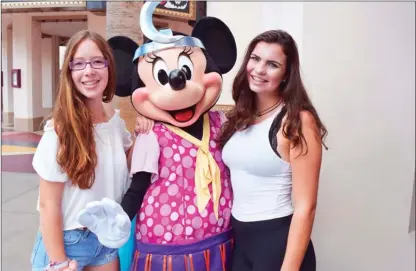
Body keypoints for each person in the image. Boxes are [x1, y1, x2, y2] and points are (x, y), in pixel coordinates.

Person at [135, 29, 327, 271]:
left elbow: (305, 207)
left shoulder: (298, 121)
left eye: (272, 64)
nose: (259, 69)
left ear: (286, 73)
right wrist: (147, 117)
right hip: (238, 241)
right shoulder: (239, 118)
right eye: (255, 59)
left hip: (276, 239)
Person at [30, 29, 133, 271]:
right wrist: (59, 261)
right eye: (79, 64)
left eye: (98, 61)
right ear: (69, 72)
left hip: (106, 240)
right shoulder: (59, 131)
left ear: (109, 68)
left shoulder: (115, 125)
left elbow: (130, 166)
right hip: (66, 241)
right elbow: (48, 205)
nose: (89, 71)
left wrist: (149, 125)